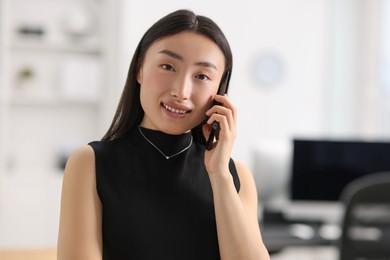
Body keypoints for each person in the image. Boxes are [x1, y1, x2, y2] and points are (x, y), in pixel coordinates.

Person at [57, 9, 270, 260]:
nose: (181, 91)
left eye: (202, 76)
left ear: (219, 91)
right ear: (140, 70)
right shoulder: (90, 162)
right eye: (168, 67)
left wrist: (220, 175)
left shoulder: (235, 176)